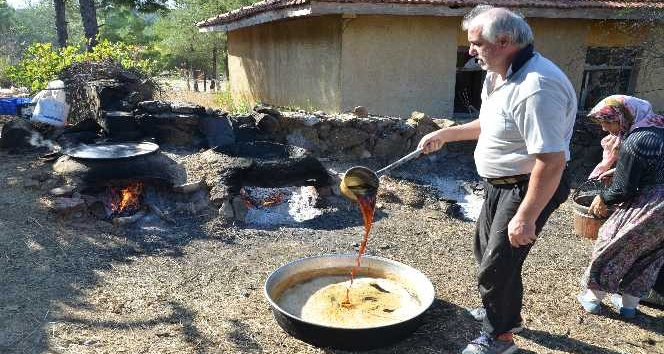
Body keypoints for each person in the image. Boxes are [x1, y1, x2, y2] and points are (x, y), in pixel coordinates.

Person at [418, 5, 576, 354]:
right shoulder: (497, 75)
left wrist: (526, 215)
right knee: (489, 256)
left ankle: (499, 338)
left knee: (496, 267)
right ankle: (503, 314)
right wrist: (447, 134)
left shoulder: (537, 88)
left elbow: (551, 161)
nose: (471, 50)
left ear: (504, 41)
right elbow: (490, 125)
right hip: (499, 183)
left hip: (528, 186)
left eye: (476, 43)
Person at [577, 95, 664, 319]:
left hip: (653, 205)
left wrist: (603, 198)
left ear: (624, 117)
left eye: (608, 121)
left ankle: (592, 299)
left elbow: (624, 189)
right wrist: (620, 169)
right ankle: (628, 307)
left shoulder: (637, 140)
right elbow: (654, 164)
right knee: (649, 257)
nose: (605, 128)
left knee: (613, 243)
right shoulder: (657, 129)